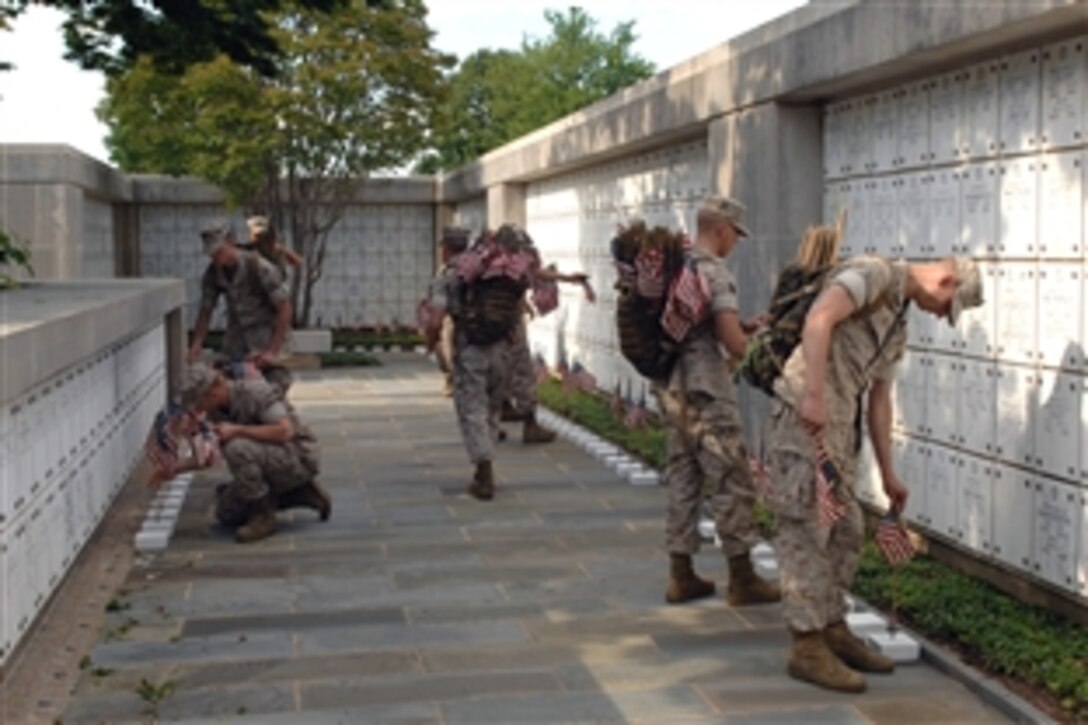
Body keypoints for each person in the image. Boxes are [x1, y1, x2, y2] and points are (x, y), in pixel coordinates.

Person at [767, 255, 982, 693]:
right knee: (809, 528)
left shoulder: (897, 321)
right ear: (946, 280)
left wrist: (888, 473)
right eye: (947, 306)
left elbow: (880, 400)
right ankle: (806, 646)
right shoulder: (873, 274)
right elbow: (819, 318)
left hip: (839, 429)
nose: (942, 315)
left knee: (847, 529)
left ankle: (831, 626)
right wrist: (812, 395)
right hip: (804, 420)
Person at [653, 196, 781, 607]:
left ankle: (680, 573)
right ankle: (743, 580)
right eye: (735, 236)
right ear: (722, 229)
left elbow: (695, 329)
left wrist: (739, 326)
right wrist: (757, 342)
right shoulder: (714, 272)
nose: (735, 244)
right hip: (708, 391)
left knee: (683, 476)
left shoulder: (677, 268)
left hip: (674, 391)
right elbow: (732, 344)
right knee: (731, 479)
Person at [175, 363, 329, 543]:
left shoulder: (254, 393)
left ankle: (263, 515)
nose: (198, 409)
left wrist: (237, 430)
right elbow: (209, 455)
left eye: (199, 402)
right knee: (227, 513)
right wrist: (175, 467)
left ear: (212, 392)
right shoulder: (216, 411)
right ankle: (300, 493)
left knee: (237, 448)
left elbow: (284, 431)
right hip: (270, 458)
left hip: (297, 457)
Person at [188, 220, 294, 397]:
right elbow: (206, 310)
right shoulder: (213, 273)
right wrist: (196, 345)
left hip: (266, 338)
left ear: (231, 241)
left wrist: (272, 351)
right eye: (212, 254)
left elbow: (285, 308)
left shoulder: (259, 267)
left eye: (219, 251)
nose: (216, 257)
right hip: (237, 341)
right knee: (236, 396)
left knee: (269, 396)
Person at [501, 265, 593, 443]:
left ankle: (491, 425)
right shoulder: (509, 256)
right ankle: (530, 425)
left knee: (493, 373)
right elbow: (534, 272)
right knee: (523, 373)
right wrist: (567, 277)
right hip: (508, 323)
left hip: (481, 327)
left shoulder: (480, 259)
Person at [428, 227, 471, 397]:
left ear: (445, 248)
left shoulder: (447, 275)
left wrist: (430, 340)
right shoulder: (481, 270)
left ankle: (452, 379)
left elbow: (436, 319)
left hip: (459, 327)